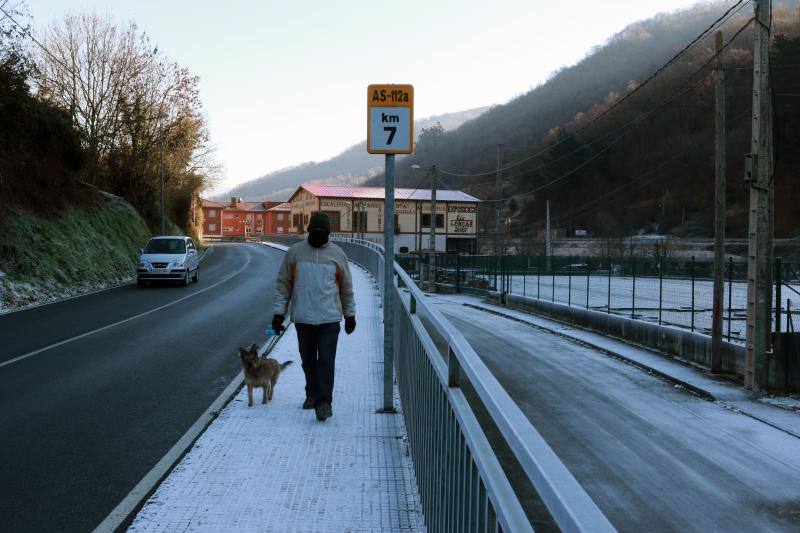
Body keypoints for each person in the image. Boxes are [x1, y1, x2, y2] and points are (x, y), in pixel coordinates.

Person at [272, 212, 356, 421]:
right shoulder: (294, 253)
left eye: (323, 232)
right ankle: (312, 393)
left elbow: (346, 288)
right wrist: (278, 314)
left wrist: (350, 314)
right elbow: (284, 286)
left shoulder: (338, 255)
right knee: (308, 361)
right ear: (308, 231)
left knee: (326, 361)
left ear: (329, 233)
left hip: (330, 319)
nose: (319, 235)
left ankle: (324, 402)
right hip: (303, 320)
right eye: (315, 231)